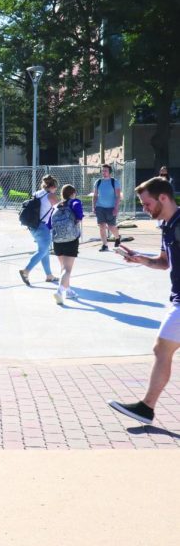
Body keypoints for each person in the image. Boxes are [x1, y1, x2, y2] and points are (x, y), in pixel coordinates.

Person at [108, 176, 180, 425]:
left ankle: (147, 407)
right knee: (163, 350)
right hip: (177, 298)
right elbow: (164, 262)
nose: (144, 209)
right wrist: (141, 259)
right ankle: (146, 408)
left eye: (147, 204)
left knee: (162, 349)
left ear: (163, 198)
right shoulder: (168, 226)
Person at [18, 174, 59, 286]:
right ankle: (26, 271)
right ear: (52, 186)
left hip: (33, 226)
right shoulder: (51, 196)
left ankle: (49, 275)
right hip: (42, 227)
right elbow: (60, 209)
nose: (56, 190)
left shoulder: (37, 193)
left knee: (44, 250)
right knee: (43, 251)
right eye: (56, 187)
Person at [52, 184, 84, 305]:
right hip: (71, 240)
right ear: (72, 194)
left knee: (63, 268)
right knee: (67, 269)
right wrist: (78, 218)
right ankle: (60, 291)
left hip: (57, 241)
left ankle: (68, 290)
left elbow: (49, 224)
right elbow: (79, 212)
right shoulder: (74, 202)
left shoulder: (56, 206)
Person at [93, 163, 122, 251]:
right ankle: (104, 245)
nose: (103, 172)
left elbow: (118, 196)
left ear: (110, 172)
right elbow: (95, 195)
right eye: (102, 171)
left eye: (105, 171)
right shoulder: (98, 182)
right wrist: (93, 206)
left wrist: (116, 208)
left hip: (111, 208)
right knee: (102, 226)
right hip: (100, 207)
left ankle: (117, 237)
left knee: (111, 227)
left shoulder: (114, 182)